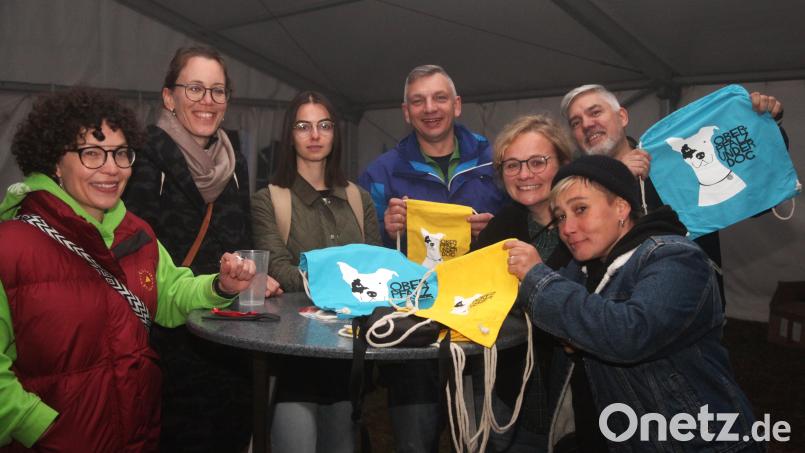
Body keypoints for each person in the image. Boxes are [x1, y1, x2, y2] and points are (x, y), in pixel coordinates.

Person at [0, 89, 258, 452]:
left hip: (136, 438)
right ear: (55, 162)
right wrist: (38, 428)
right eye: (91, 153)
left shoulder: (136, 234)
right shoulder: (9, 247)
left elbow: (170, 295)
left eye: (122, 153)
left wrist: (220, 285)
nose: (112, 168)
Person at [504, 155, 762, 452]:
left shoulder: (674, 257)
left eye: (581, 209)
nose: (568, 228)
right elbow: (574, 322)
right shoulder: (584, 269)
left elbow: (627, 333)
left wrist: (539, 278)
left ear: (621, 208)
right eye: (561, 216)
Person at [123, 46, 280, 452]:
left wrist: (253, 276)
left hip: (231, 338)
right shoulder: (142, 156)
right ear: (168, 97)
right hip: (170, 339)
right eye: (194, 88)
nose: (207, 101)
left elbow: (238, 238)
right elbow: (134, 256)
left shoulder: (234, 160)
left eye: (217, 91)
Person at [358, 64, 507, 453]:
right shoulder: (380, 172)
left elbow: (528, 225)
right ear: (406, 112)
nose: (430, 108)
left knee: (480, 438)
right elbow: (361, 249)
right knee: (414, 441)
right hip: (413, 327)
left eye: (439, 98)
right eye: (418, 100)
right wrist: (384, 229)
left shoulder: (496, 162)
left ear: (456, 105)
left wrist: (497, 230)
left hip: (479, 325)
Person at [559, 84, 784, 307]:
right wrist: (616, 176)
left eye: (595, 112)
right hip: (608, 320)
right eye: (576, 123)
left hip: (691, 314)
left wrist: (764, 123)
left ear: (622, 117)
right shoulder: (570, 190)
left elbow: (751, 195)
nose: (587, 124)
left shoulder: (672, 164)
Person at [250, 90, 382, 452]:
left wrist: (325, 276)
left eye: (324, 125)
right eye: (303, 126)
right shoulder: (269, 200)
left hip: (349, 353)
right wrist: (350, 280)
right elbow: (278, 269)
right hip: (293, 357)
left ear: (335, 133)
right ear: (290, 134)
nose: (315, 135)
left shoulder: (359, 198)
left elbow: (378, 267)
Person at [473, 114, 574, 452]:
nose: (525, 174)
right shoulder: (505, 223)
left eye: (537, 162)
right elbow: (469, 285)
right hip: (509, 393)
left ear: (563, 162)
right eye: (512, 165)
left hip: (574, 399)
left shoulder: (585, 225)